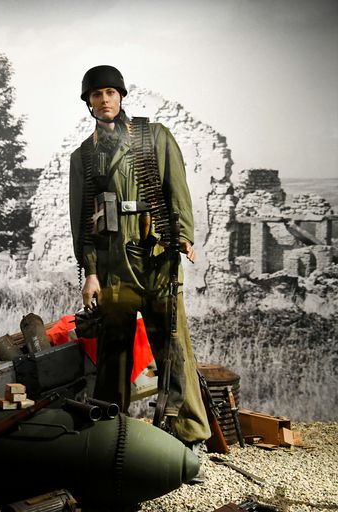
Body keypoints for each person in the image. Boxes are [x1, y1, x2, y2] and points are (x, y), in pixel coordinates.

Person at [69, 65, 210, 445]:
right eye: (96, 95)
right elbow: (82, 222)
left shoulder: (153, 136)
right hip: (113, 266)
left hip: (156, 258)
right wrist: (91, 272)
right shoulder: (83, 156)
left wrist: (182, 236)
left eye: (110, 93)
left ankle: (188, 431)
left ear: (121, 96)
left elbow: (176, 189)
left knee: (173, 345)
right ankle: (110, 430)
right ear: (89, 103)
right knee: (114, 351)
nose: (104, 100)